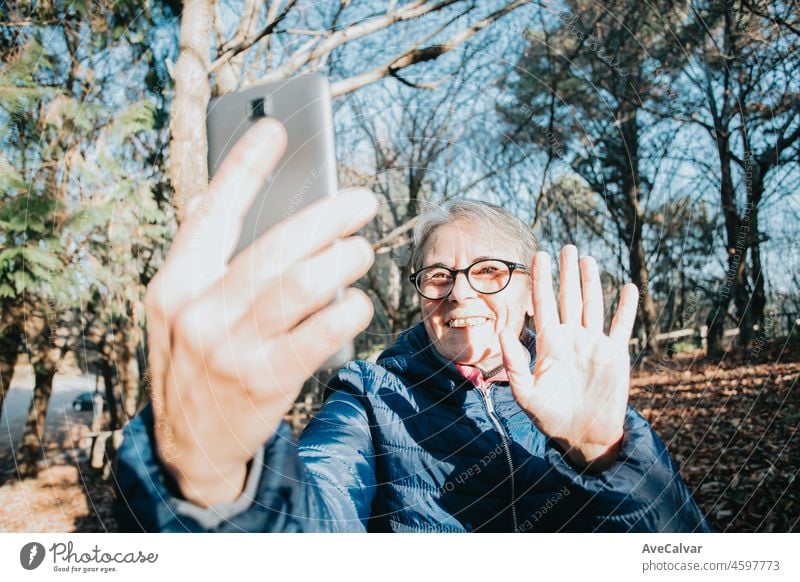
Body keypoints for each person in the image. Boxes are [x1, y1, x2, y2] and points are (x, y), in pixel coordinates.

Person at [114, 120, 711, 532]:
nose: (459, 292)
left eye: (488, 272)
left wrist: (605, 455)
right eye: (438, 275)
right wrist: (220, 475)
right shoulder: (371, 399)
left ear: (530, 292)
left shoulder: (586, 396)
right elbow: (316, 523)